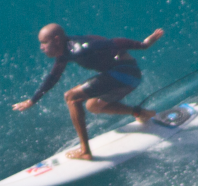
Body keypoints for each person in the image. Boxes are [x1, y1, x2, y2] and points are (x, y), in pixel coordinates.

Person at [12, 24, 166, 161]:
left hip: (126, 73)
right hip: (123, 77)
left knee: (71, 97)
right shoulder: (65, 51)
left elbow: (113, 42)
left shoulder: (82, 48)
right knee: (93, 106)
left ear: (57, 40)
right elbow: (53, 77)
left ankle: (85, 151)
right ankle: (140, 113)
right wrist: (33, 100)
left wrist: (143, 44)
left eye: (44, 43)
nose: (41, 47)